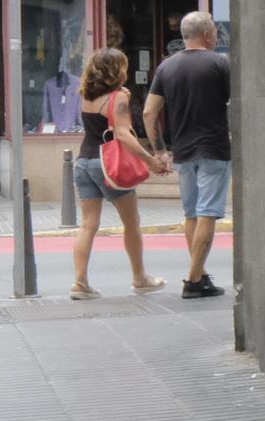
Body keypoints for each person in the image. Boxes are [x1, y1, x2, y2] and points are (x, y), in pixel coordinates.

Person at [143, 11, 229, 299]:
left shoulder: (166, 68)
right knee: (207, 212)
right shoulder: (220, 63)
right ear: (207, 34)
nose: (216, 36)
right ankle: (193, 280)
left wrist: (159, 150)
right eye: (215, 32)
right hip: (214, 148)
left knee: (191, 214)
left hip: (183, 151)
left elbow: (148, 112)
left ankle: (200, 274)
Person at [70, 48, 168, 301]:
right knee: (131, 222)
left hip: (83, 162)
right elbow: (123, 136)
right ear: (118, 70)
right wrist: (149, 160)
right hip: (106, 165)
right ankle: (139, 277)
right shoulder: (117, 98)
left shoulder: (85, 96)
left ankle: (80, 282)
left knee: (87, 225)